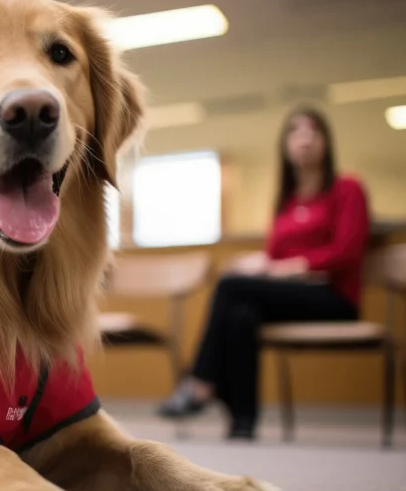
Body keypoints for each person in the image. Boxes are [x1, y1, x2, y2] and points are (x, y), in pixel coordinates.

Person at [158, 107, 370, 439]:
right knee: (242, 313)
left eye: (313, 132)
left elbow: (347, 251)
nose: (304, 139)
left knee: (230, 287)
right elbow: (274, 255)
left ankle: (200, 381)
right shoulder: (286, 202)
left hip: (334, 298)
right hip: (291, 298)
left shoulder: (347, 188)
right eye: (295, 132)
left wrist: (287, 268)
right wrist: (259, 263)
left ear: (326, 142)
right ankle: (243, 422)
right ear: (285, 144)